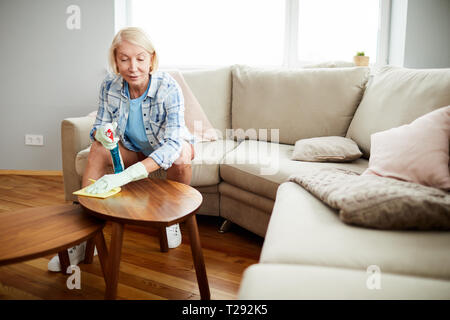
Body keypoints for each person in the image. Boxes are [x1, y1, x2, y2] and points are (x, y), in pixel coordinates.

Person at [48, 27, 195, 272]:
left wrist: (130, 174)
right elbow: (98, 126)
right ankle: (86, 235)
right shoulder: (110, 85)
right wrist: (102, 135)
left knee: (180, 157)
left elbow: (172, 143)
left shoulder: (169, 88)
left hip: (168, 147)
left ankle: (172, 218)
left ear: (151, 60)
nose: (132, 67)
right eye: (124, 59)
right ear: (115, 61)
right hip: (133, 147)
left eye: (140, 58)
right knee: (96, 149)